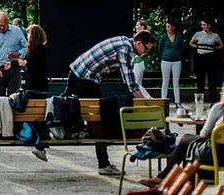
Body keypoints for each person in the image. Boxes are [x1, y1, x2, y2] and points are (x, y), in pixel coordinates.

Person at [61, 31, 155, 175]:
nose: (146, 53)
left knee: (61, 103)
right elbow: (130, 83)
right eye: (146, 49)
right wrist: (144, 103)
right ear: (138, 43)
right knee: (101, 118)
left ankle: (40, 145)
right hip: (87, 78)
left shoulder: (123, 40)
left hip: (76, 69)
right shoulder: (124, 50)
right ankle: (103, 164)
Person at [139, 74, 224, 187]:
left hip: (215, 157)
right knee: (189, 143)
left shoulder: (219, 108)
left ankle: (166, 178)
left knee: (185, 141)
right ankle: (168, 179)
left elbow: (204, 134)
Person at [14, 24, 49, 161]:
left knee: (34, 115)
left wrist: (25, 64)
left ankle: (39, 142)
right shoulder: (41, 49)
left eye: (28, 34)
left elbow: (35, 68)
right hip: (40, 85)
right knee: (39, 116)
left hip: (34, 86)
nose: (27, 37)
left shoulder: (37, 50)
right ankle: (40, 143)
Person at [0, 11, 27, 97]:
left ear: (8, 22)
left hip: (14, 68)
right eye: (0, 25)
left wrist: (18, 53)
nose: (2, 27)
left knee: (15, 98)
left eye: (4, 25)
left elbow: (25, 47)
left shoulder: (17, 31)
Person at [189, 19, 224, 103]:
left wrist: (214, 48)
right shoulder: (198, 34)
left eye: (204, 25)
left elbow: (221, 45)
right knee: (200, 80)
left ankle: (213, 101)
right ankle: (200, 101)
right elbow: (190, 43)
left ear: (209, 25)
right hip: (200, 57)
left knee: (212, 80)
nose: (203, 26)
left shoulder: (215, 35)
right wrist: (198, 47)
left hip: (210, 58)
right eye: (202, 25)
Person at [158, 19, 185, 105]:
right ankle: (163, 101)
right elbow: (160, 49)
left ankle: (177, 102)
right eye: (166, 27)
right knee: (165, 82)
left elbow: (181, 48)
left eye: (169, 27)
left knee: (176, 83)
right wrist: (165, 55)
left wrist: (177, 55)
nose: (167, 28)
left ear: (173, 27)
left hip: (176, 61)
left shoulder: (178, 36)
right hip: (165, 61)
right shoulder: (163, 37)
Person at [132, 20, 153, 99]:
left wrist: (137, 57)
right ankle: (141, 100)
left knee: (136, 83)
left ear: (142, 27)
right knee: (138, 83)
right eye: (136, 25)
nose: (136, 27)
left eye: (138, 25)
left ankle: (149, 98)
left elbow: (147, 50)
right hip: (136, 62)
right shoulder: (137, 36)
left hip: (140, 62)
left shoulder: (145, 37)